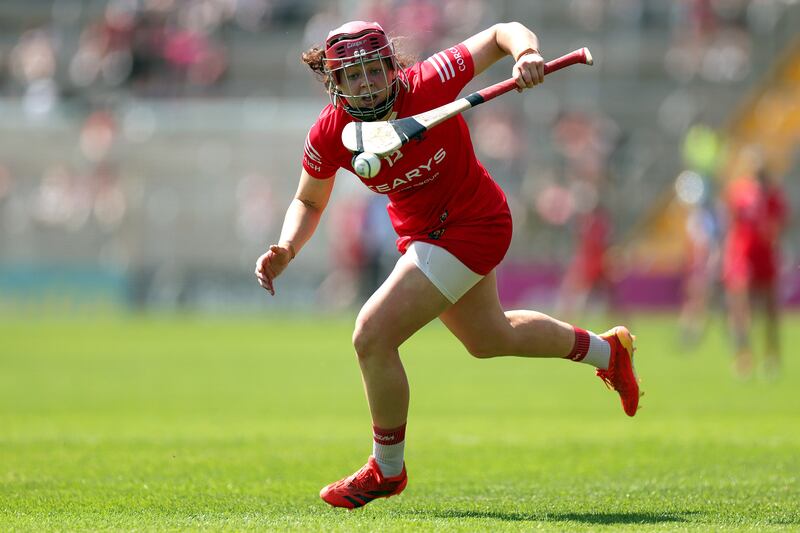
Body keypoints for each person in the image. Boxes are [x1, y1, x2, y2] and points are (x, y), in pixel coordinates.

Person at [254, 20, 642, 509]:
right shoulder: (332, 132)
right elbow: (308, 201)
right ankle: (609, 353)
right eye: (353, 77)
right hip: (422, 237)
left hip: (475, 224)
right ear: (334, 84)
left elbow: (504, 32)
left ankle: (386, 470)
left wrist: (525, 54)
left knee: (371, 335)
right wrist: (287, 247)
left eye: (375, 70)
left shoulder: (430, 81)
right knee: (489, 339)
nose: (367, 84)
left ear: (393, 67)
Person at [722, 165, 789, 378]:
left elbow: (782, 223)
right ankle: (744, 357)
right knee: (741, 310)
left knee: (769, 311)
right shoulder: (740, 195)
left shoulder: (773, 197)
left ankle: (771, 356)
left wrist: (773, 233)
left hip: (766, 257)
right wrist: (728, 255)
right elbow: (732, 225)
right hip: (744, 257)